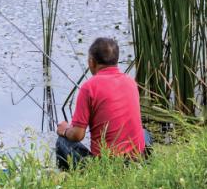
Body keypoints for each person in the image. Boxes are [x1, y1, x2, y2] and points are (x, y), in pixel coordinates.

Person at [55, 37, 151, 170]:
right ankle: (143, 164)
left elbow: (78, 135)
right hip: (135, 158)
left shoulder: (88, 88)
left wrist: (65, 130)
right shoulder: (131, 82)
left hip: (106, 165)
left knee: (62, 141)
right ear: (116, 60)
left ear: (91, 62)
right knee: (144, 133)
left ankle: (70, 176)